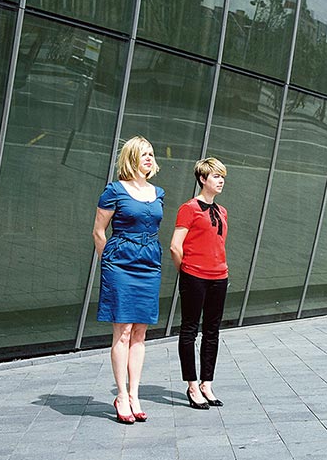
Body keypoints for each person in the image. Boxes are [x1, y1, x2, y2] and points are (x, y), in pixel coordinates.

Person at [92, 136, 164, 424]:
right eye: (143, 153)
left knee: (140, 333)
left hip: (149, 264)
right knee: (122, 331)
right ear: (131, 158)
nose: (148, 158)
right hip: (120, 264)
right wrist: (108, 264)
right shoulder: (114, 191)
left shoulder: (158, 193)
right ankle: (121, 395)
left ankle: (134, 395)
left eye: (151, 153)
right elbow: (99, 231)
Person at [170, 158, 228, 409]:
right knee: (190, 330)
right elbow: (175, 245)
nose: (221, 180)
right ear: (203, 179)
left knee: (212, 331)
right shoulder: (189, 208)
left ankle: (207, 383)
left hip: (219, 277)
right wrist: (186, 271)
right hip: (194, 276)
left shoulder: (222, 211)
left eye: (222, 176)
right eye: (215, 176)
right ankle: (192, 385)